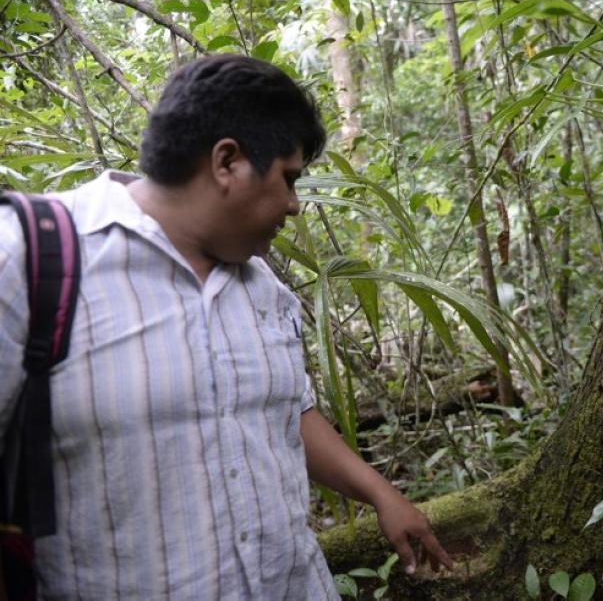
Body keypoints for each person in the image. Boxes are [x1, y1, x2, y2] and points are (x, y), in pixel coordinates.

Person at [0, 54, 452, 599]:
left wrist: (382, 494)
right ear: (227, 162)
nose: (294, 206)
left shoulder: (265, 288)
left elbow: (288, 410)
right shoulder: (27, 259)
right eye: (288, 178)